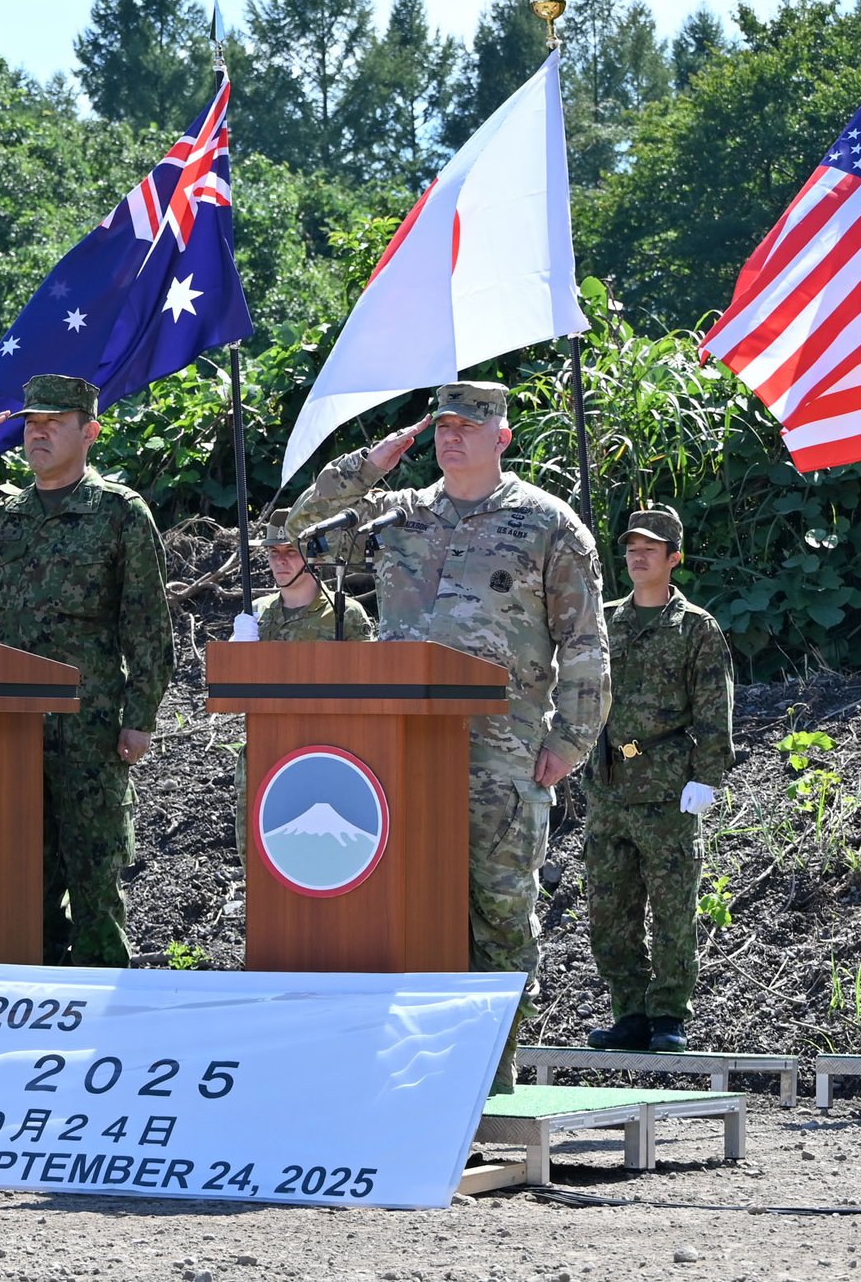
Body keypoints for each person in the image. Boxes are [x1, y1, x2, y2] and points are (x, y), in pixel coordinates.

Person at [291, 381, 610, 1093]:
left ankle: (488, 1082)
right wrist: (371, 462)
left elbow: (586, 642)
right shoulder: (394, 516)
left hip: (503, 750)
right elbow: (295, 528)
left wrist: (571, 740)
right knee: (403, 910)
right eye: (442, 425)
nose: (452, 436)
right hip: (396, 753)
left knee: (498, 912)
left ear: (502, 436)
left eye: (469, 425)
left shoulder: (549, 524)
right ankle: (410, 1083)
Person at [0, 374, 174, 967]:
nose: (37, 434)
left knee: (94, 879)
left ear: (89, 432)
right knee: (19, 879)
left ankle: (103, 1009)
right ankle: (32, 1004)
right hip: (7, 728)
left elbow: (146, 623)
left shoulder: (119, 513)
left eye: (54, 424)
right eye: (31, 424)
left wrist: (139, 718)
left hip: (87, 725)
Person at [582, 506, 734, 1056]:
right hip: (608, 789)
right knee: (608, 910)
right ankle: (630, 1012)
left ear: (675, 558)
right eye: (630, 547)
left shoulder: (696, 628)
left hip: (668, 789)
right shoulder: (602, 621)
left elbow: (714, 710)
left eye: (651, 547)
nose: (637, 555)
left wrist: (708, 777)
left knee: (672, 909)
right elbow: (579, 691)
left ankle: (669, 1013)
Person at [233, 509, 374, 858]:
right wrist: (235, 657)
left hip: (328, 757)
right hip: (265, 754)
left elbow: (372, 690)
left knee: (324, 861)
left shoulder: (344, 615)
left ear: (313, 556)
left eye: (290, 551)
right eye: (273, 553)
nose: (280, 561)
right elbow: (231, 697)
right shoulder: (258, 615)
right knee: (261, 858)